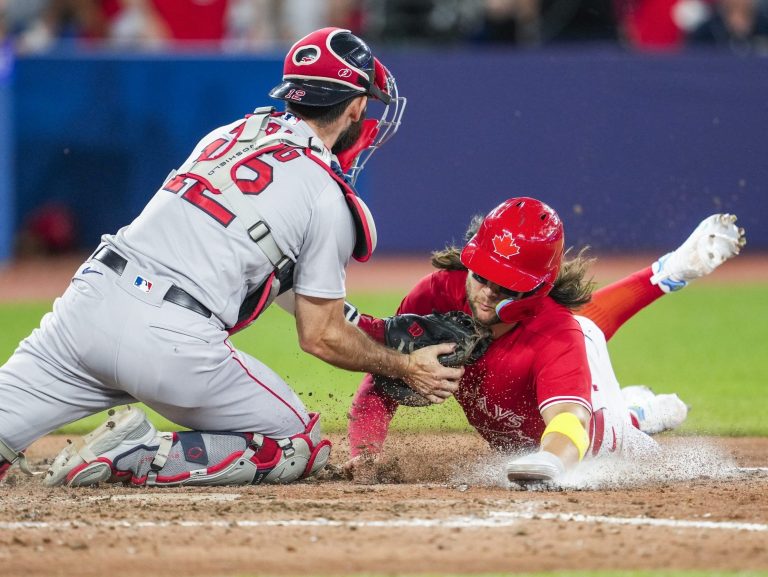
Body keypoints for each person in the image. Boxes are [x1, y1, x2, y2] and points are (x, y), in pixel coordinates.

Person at [0, 27, 463, 487]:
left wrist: (374, 329)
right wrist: (404, 366)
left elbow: (277, 275)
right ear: (357, 106)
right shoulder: (327, 194)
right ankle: (141, 453)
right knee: (300, 442)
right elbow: (321, 336)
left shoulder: (228, 134)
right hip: (171, 342)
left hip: (87, 307)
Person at [344, 198, 746, 484]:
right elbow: (383, 376)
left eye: (504, 287)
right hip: (551, 358)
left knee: (632, 446)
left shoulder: (556, 331)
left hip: (594, 439)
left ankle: (635, 414)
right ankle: (639, 400)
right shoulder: (437, 293)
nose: (484, 293)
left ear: (537, 288)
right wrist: (365, 452)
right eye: (480, 275)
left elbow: (570, 420)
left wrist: (551, 460)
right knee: (577, 330)